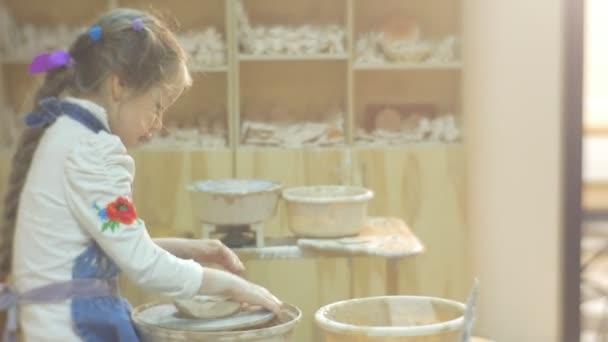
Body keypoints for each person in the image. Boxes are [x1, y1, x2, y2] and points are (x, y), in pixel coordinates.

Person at [0, 8, 282, 342]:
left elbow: (107, 246)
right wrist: (232, 285)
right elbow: (143, 265)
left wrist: (188, 249)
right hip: (72, 330)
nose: (158, 124)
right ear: (119, 85)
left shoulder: (65, 132)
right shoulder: (94, 151)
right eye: (158, 106)